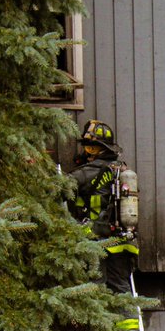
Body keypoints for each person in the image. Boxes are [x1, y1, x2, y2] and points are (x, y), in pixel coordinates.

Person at [67, 120, 136, 295]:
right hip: (122, 241)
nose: (86, 151)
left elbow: (59, 189)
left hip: (95, 239)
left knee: (94, 291)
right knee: (121, 290)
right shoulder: (122, 170)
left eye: (90, 148)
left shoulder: (86, 172)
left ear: (98, 149)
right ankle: (128, 314)